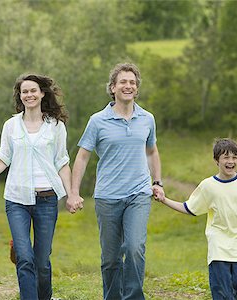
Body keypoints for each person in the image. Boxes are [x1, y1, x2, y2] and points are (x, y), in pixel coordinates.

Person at [0, 74, 80, 300]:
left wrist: (71, 194)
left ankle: (45, 297)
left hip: (47, 199)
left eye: (33, 90)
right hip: (17, 200)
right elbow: (3, 159)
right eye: (24, 92)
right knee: (24, 257)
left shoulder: (56, 126)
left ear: (42, 94)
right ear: (20, 96)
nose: (29, 95)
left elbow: (62, 162)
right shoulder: (11, 126)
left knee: (41, 261)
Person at [68, 62, 164, 300]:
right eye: (123, 82)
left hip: (138, 194)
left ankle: (133, 297)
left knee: (134, 249)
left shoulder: (147, 119)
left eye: (132, 82)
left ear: (137, 88)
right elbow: (82, 156)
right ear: (112, 87)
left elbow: (152, 151)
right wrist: (73, 192)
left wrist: (158, 182)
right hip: (107, 197)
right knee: (111, 258)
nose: (128, 86)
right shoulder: (98, 120)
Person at [155, 138, 237, 300]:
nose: (231, 161)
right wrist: (164, 200)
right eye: (226, 157)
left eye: (234, 157)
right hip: (219, 245)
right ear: (216, 161)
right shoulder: (208, 186)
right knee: (222, 292)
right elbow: (188, 208)